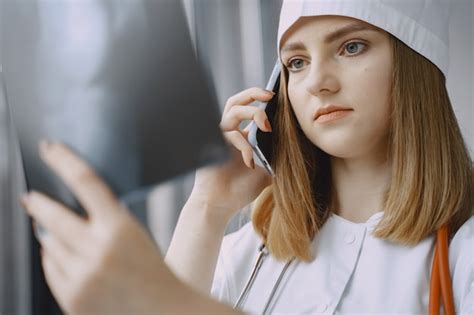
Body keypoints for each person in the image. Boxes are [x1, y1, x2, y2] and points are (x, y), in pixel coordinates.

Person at [22, 0, 473, 314]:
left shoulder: (462, 256)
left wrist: (173, 304)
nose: (318, 81)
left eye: (350, 47)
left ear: (416, 67)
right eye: (296, 63)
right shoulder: (252, 248)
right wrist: (207, 208)